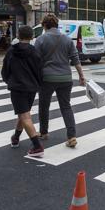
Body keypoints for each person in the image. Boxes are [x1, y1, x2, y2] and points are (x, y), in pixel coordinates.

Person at [35, 14, 86, 147]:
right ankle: (72, 136)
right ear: (57, 25)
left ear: (45, 25)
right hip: (65, 78)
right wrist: (81, 76)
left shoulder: (40, 39)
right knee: (66, 106)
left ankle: (44, 132)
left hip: (47, 78)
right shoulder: (67, 39)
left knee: (44, 106)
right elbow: (76, 59)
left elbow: (35, 61)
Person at [1, 26, 45, 157]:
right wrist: (38, 84)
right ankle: (15, 137)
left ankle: (37, 147)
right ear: (32, 37)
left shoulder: (11, 52)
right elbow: (39, 71)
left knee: (25, 115)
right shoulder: (35, 52)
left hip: (17, 87)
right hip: (31, 87)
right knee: (23, 113)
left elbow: (5, 70)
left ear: (18, 36)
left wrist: (9, 81)